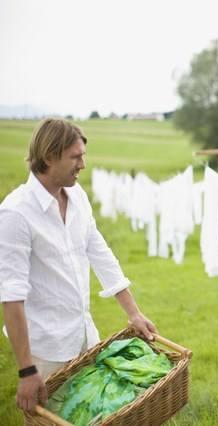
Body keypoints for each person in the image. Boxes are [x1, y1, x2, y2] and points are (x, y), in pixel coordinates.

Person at [0, 118, 157, 413]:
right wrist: (26, 370)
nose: (83, 164)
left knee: (91, 417)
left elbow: (101, 254)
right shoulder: (15, 214)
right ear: (49, 156)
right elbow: (11, 296)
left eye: (83, 155)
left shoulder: (78, 197)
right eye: (76, 156)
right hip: (46, 352)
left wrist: (133, 312)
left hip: (85, 337)